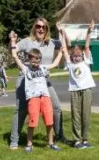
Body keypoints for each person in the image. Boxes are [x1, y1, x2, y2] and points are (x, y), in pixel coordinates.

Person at [7, 17, 65, 149]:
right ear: (34, 28)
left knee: (56, 107)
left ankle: (59, 136)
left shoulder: (51, 43)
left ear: (47, 29)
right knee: (21, 110)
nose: (40, 29)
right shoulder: (28, 41)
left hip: (44, 81)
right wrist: (12, 40)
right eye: (38, 26)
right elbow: (13, 51)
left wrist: (62, 32)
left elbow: (65, 45)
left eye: (43, 27)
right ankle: (14, 140)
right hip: (26, 80)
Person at [58, 21, 97, 149]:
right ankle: (77, 140)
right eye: (74, 56)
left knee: (85, 114)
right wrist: (62, 32)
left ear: (82, 55)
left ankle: (85, 139)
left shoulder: (86, 60)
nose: (76, 58)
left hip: (86, 90)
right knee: (76, 115)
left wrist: (89, 32)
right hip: (74, 90)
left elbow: (86, 46)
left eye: (78, 55)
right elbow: (64, 48)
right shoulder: (69, 64)